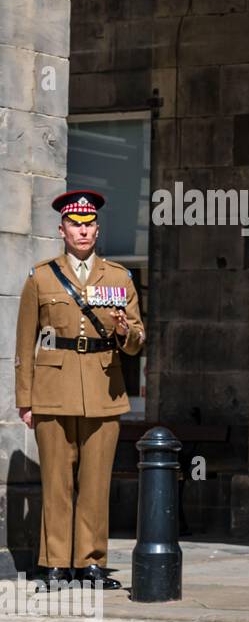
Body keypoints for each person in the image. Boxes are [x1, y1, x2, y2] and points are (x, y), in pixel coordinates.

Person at [14, 190, 145, 590]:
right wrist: (25, 400)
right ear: (62, 230)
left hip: (104, 388)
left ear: (97, 230)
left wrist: (126, 332)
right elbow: (24, 343)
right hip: (53, 388)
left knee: (95, 483)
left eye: (89, 225)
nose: (83, 231)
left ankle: (90, 562)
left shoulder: (119, 278)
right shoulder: (41, 276)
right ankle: (55, 563)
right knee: (56, 481)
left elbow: (138, 338)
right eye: (75, 225)